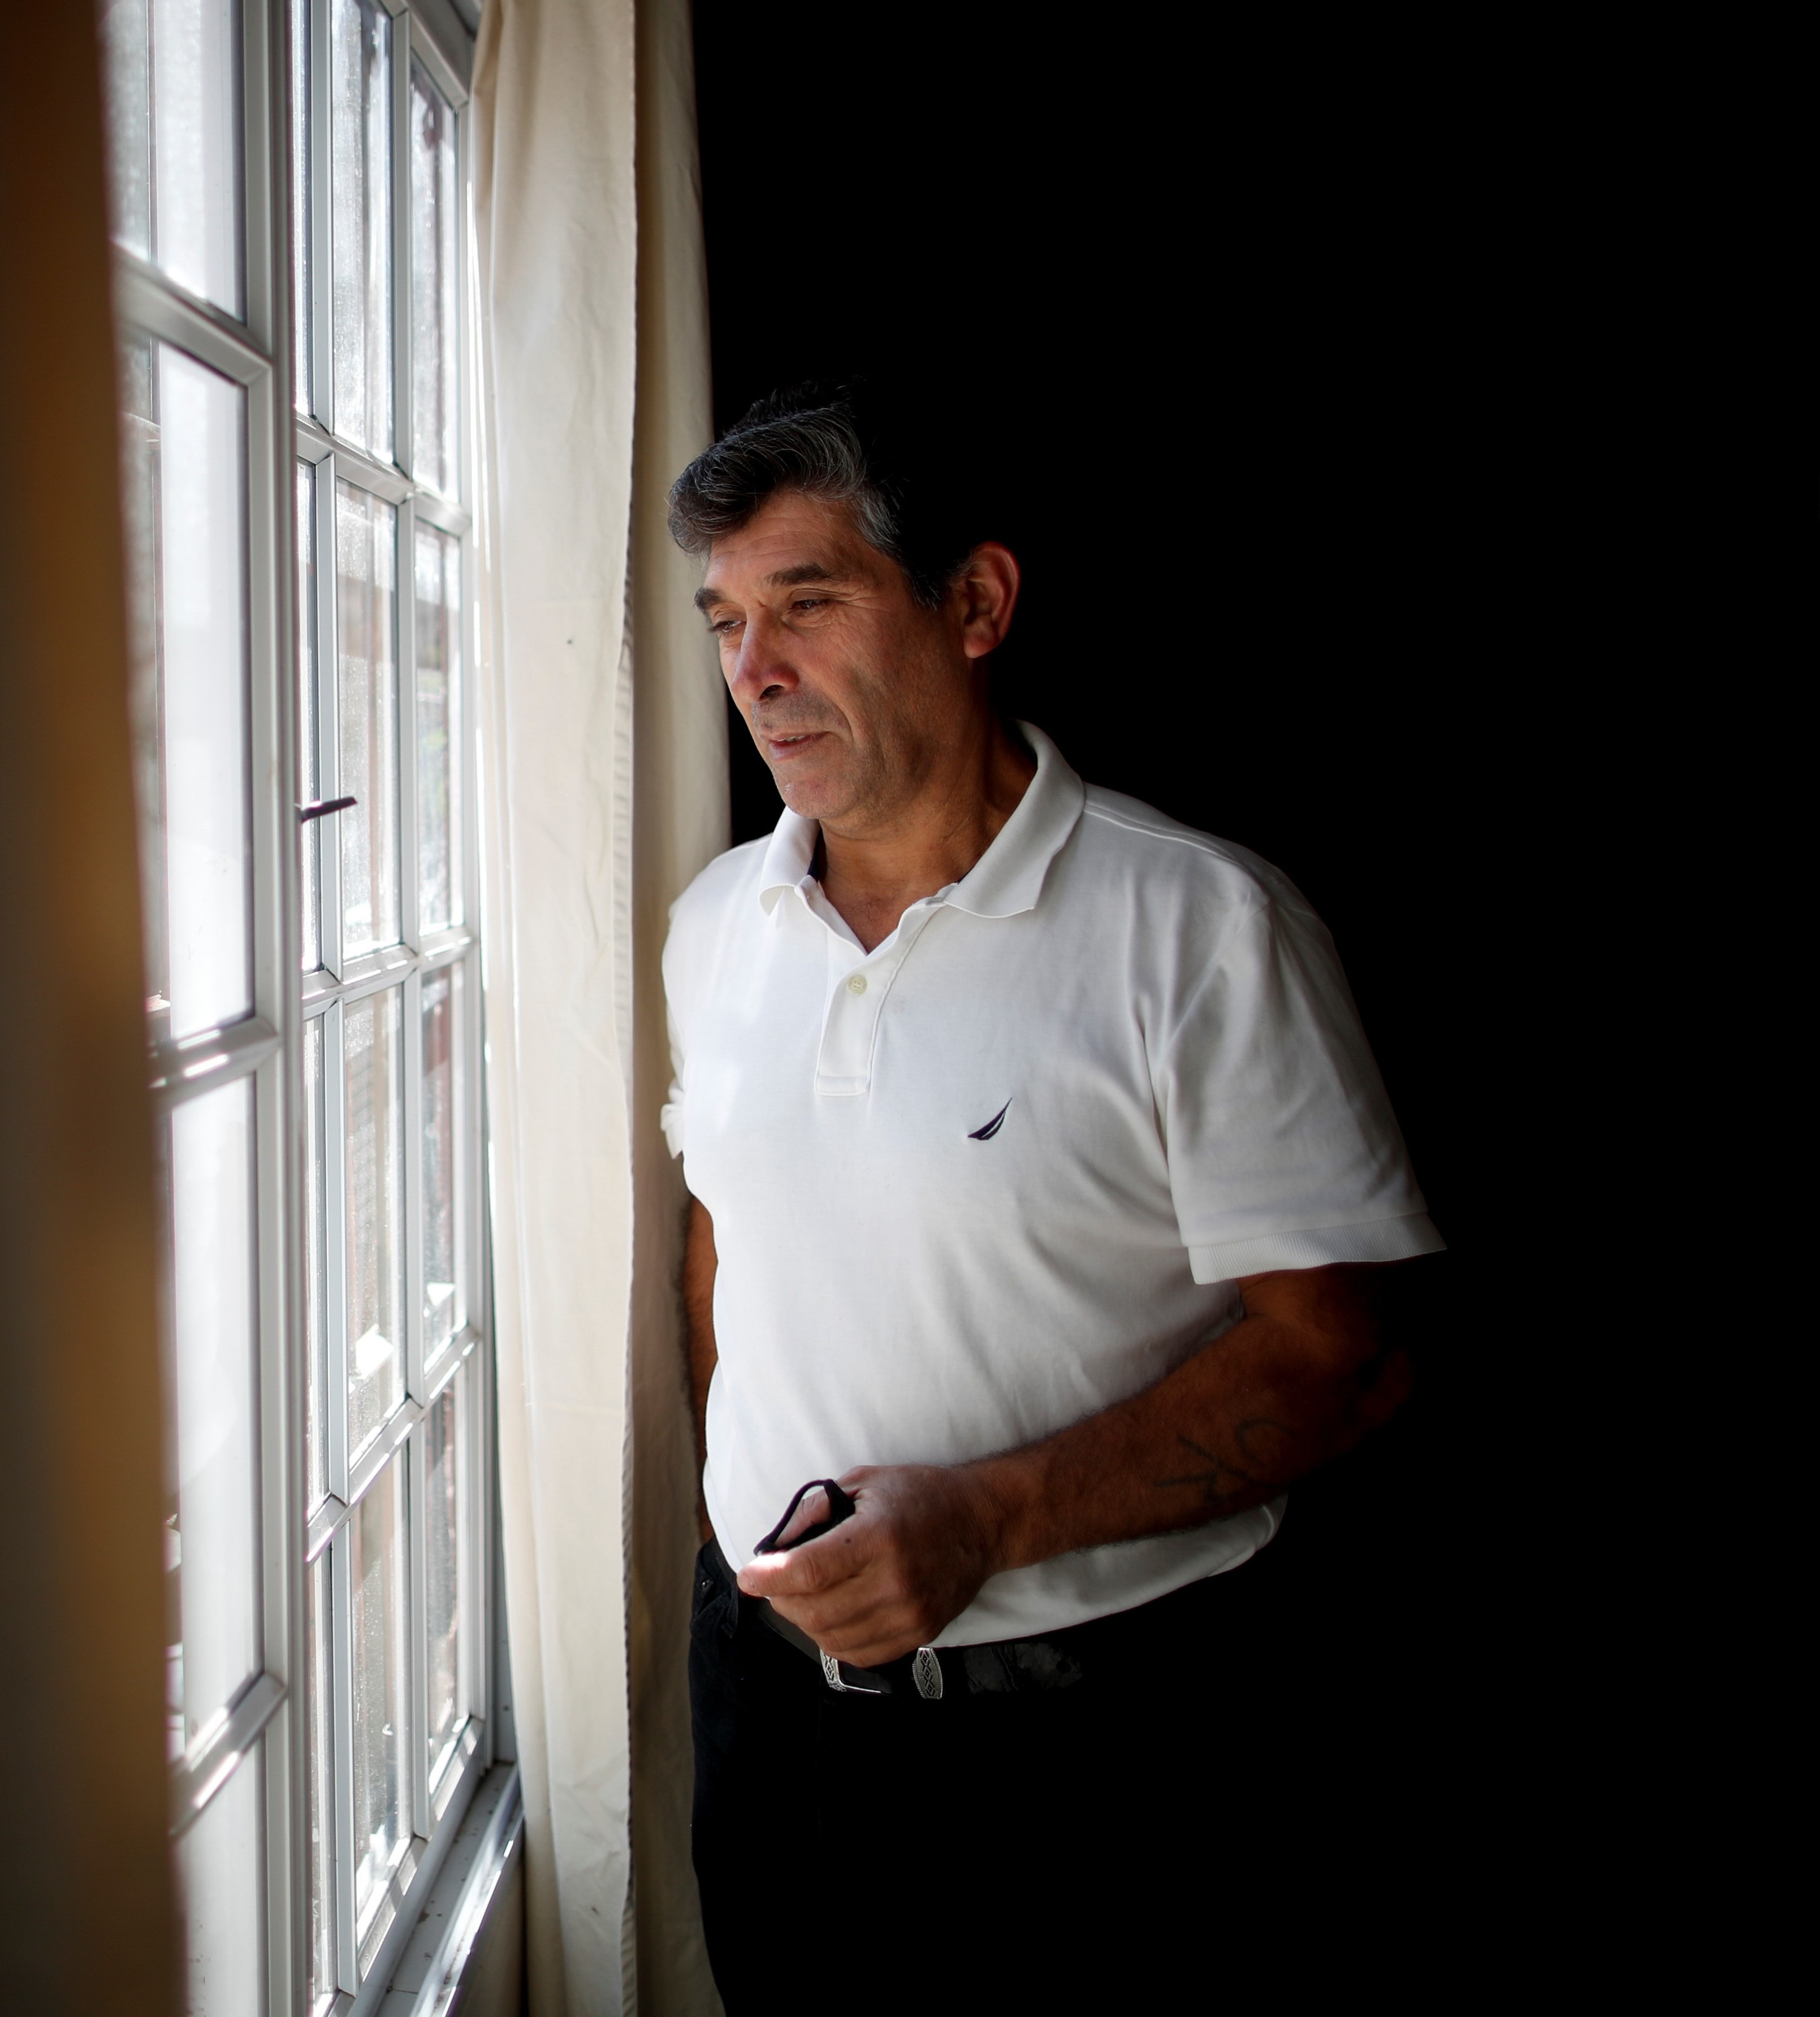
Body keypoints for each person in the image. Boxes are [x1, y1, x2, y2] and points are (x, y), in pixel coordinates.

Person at [661, 386, 1444, 2003]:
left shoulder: (1202, 927)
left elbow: (1348, 1352)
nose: (754, 669)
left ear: (975, 603)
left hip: (1100, 1753)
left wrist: (986, 1519)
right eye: (728, 620)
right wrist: (740, 1526)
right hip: (769, 1717)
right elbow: (724, 1235)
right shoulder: (714, 923)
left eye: (808, 602)